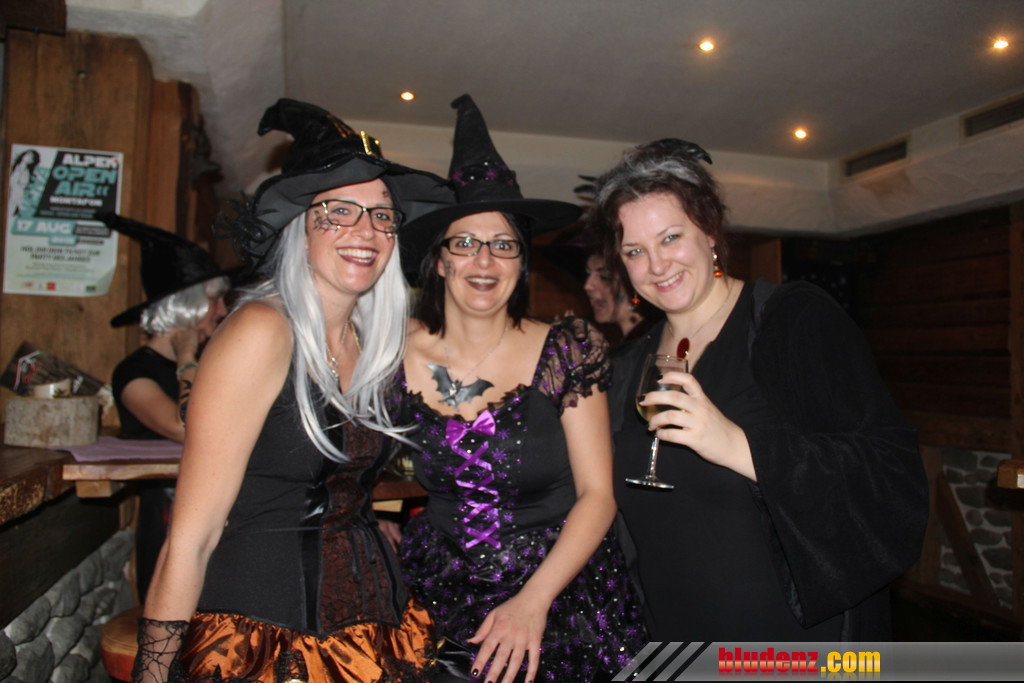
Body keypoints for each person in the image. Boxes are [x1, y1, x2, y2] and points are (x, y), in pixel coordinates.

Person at [132, 98, 453, 683]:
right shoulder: (260, 331)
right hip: (259, 639)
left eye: (382, 215)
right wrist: (152, 674)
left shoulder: (372, 343)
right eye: (339, 211)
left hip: (374, 628)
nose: (366, 231)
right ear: (300, 228)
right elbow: (192, 539)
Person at [591, 138, 929, 641]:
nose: (657, 265)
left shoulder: (792, 323)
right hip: (670, 646)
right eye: (635, 251)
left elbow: (889, 476)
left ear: (710, 231)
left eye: (671, 238)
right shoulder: (629, 366)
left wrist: (739, 446)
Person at [394, 95, 644, 683]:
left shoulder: (567, 349)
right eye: (464, 243)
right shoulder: (391, 351)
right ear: (439, 261)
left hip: (561, 598)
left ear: (520, 261)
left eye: (503, 244)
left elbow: (598, 495)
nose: (484, 260)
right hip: (436, 593)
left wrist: (532, 603)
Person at [105, 213, 231, 602]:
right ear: (187, 306)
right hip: (169, 524)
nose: (222, 310)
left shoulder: (214, 362)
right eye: (214, 299)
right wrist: (187, 357)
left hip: (218, 517)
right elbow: (184, 426)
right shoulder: (134, 372)